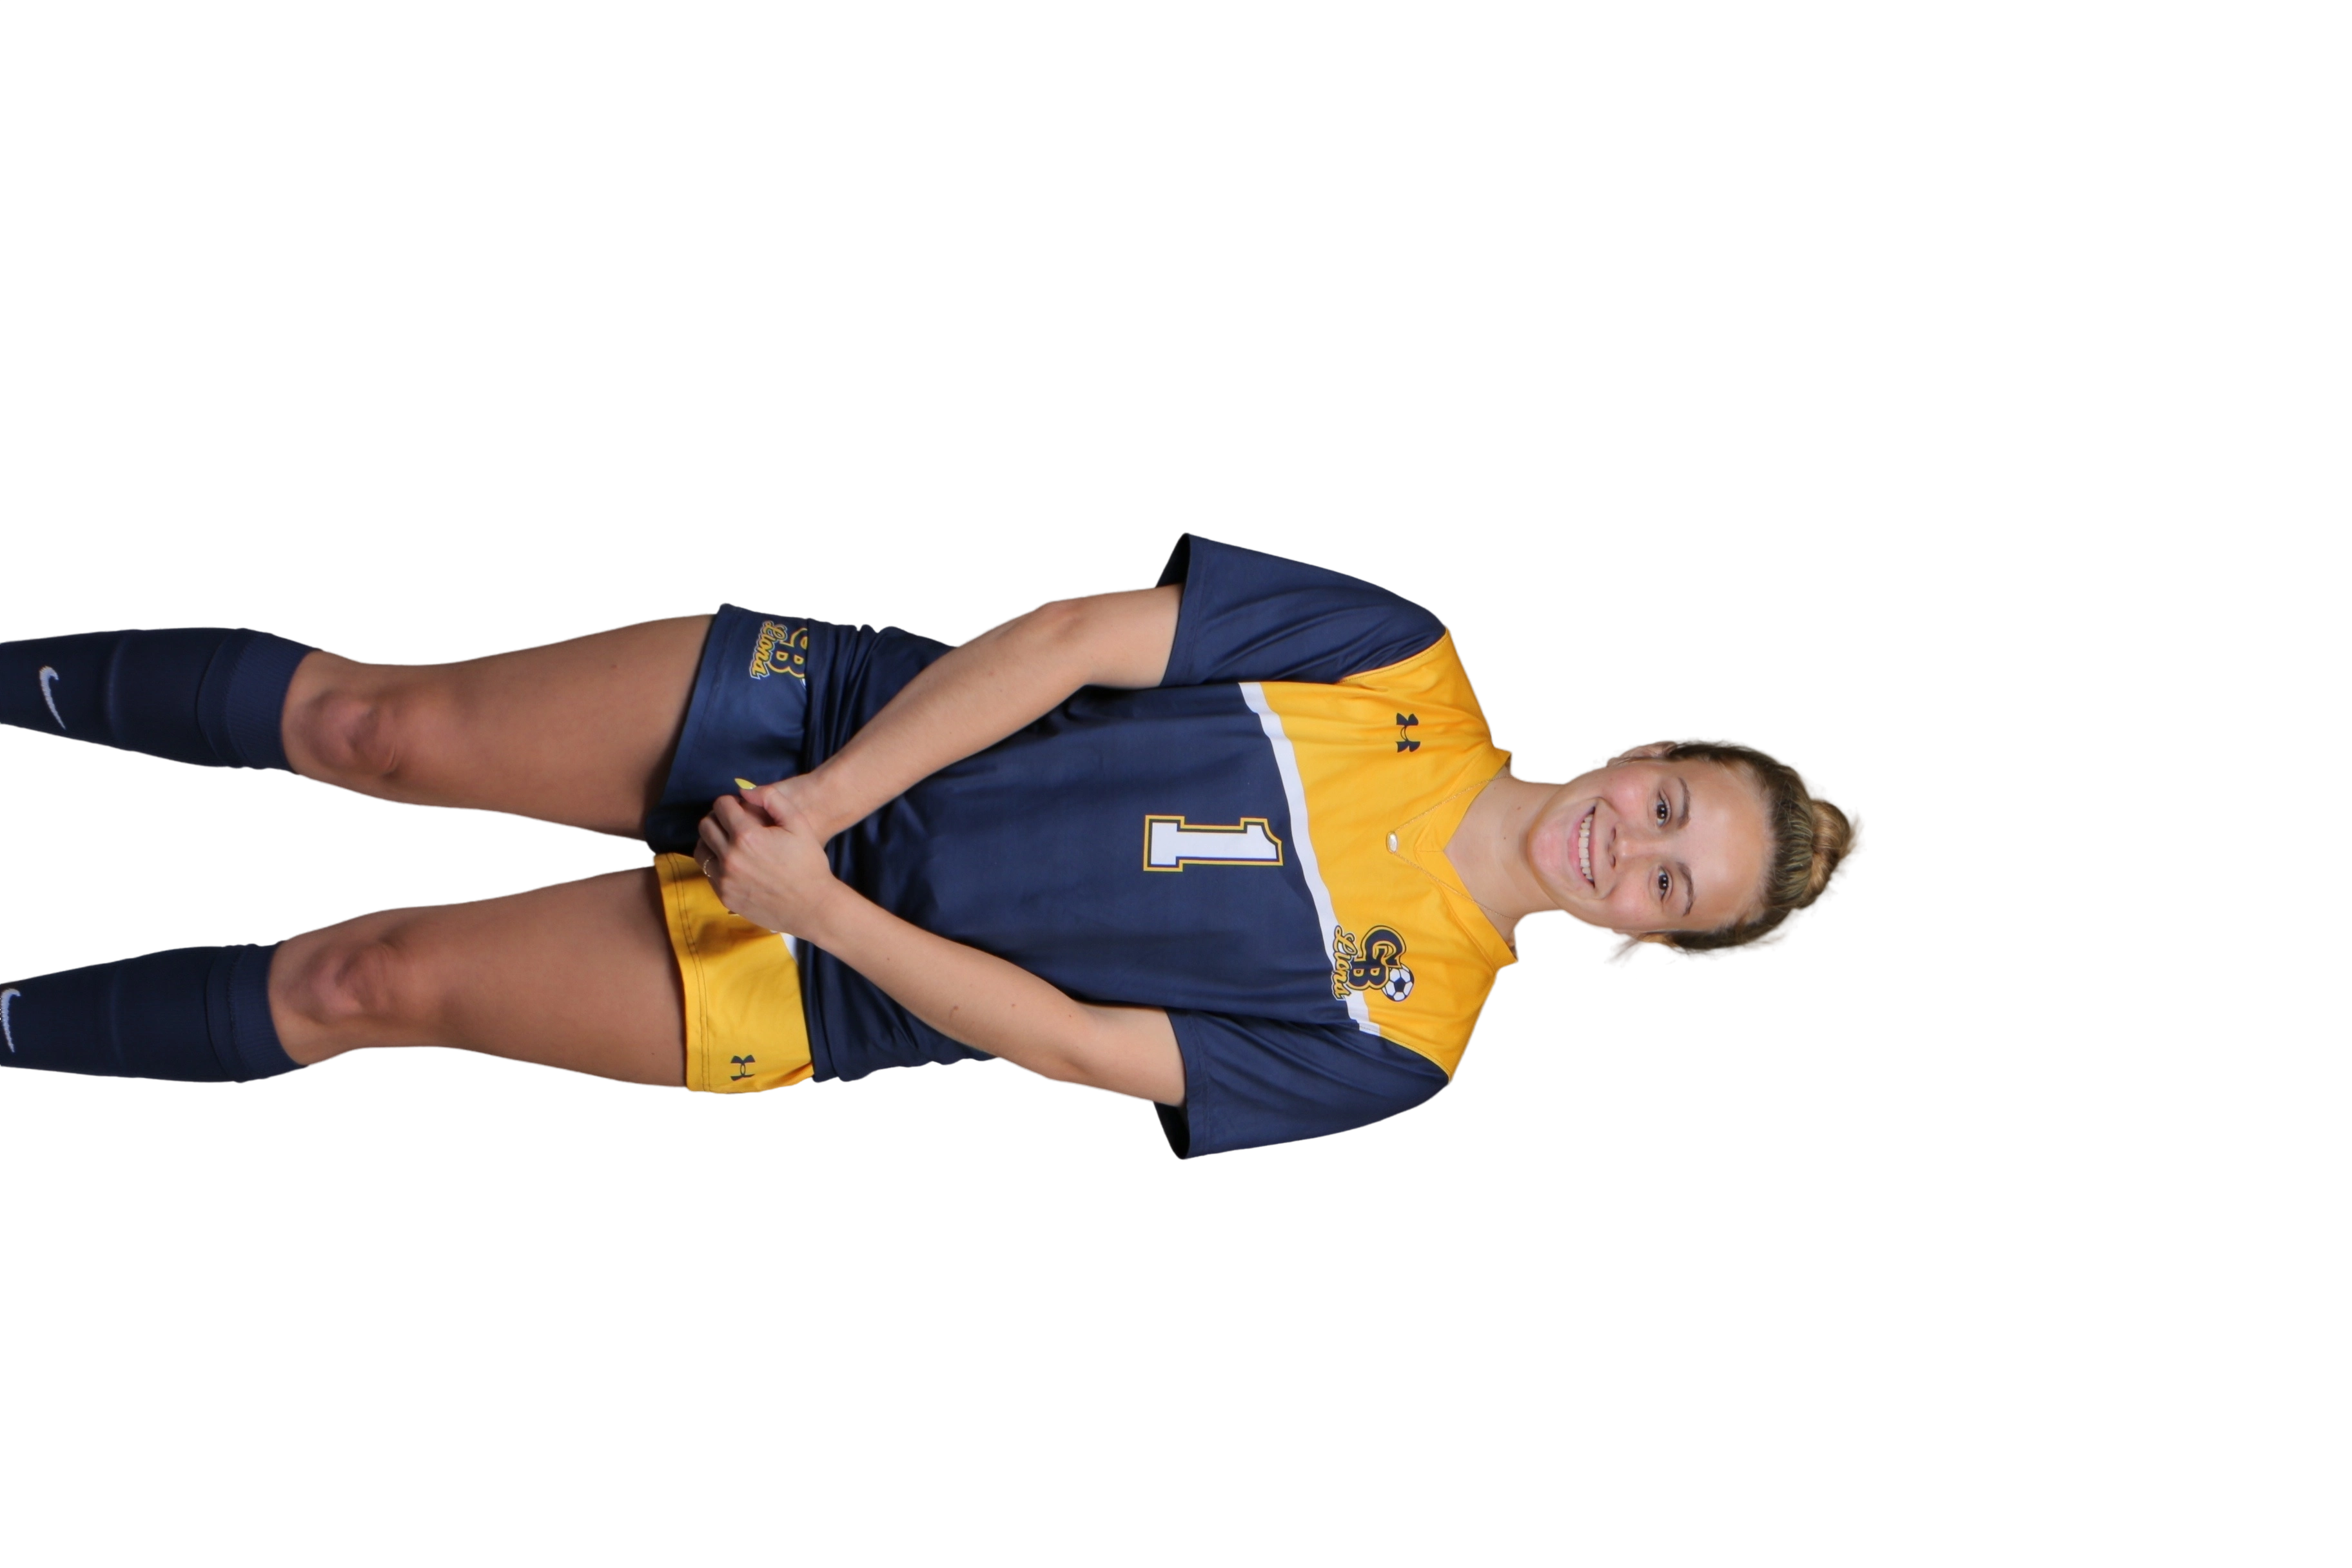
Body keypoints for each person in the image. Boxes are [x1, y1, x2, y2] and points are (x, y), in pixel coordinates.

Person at [0, 534, 1868, 1159]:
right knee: (381, 733)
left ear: (1647, 947)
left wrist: (814, 903)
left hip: (831, 974)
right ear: (1649, 749)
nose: (1631, 848)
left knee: (374, 979)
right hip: (827, 733)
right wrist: (819, 806)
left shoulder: (1407, 1041)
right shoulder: (1398, 658)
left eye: (1671, 887)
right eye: (1674, 806)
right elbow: (1071, 641)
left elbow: (1076, 1048)